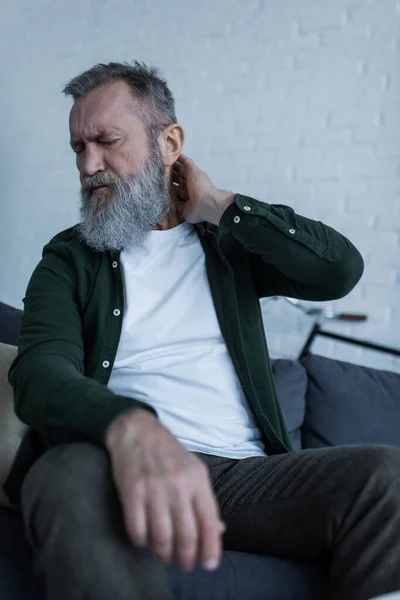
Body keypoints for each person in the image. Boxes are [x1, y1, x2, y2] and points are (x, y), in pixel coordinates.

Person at [4, 61, 400, 600]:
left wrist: (220, 206)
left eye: (106, 141)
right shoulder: (68, 259)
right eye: (78, 148)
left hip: (245, 481)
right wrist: (131, 427)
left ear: (169, 142)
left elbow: (339, 271)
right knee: (65, 473)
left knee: (388, 478)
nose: (88, 164)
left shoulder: (226, 245)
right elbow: (40, 373)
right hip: (119, 465)